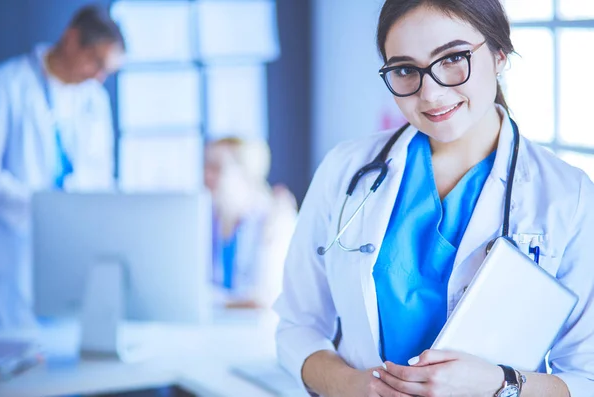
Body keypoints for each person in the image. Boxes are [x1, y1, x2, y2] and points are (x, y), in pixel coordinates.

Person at [273, 0, 594, 396]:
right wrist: (355, 386)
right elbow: (297, 326)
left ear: (499, 55)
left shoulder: (568, 196)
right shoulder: (345, 169)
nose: (431, 93)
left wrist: (500, 384)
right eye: (406, 70)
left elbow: (585, 379)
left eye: (453, 58)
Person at [0, 5, 125, 329]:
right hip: (18, 237)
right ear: (71, 40)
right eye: (96, 62)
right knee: (23, 348)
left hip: (73, 238)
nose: (99, 76)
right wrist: (41, 205)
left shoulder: (94, 98)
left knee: (72, 343)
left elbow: (101, 173)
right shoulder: (7, 84)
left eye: (106, 70)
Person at [204, 137, 297, 310]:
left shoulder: (275, 219)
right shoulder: (207, 220)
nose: (206, 175)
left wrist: (208, 299)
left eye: (216, 168)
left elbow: (264, 297)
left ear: (246, 174)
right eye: (205, 166)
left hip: (259, 330)